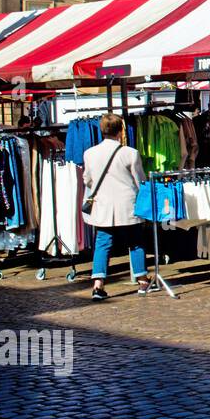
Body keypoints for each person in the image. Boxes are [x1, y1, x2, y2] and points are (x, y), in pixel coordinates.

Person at [82, 114, 151, 300]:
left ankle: (98, 285)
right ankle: (143, 281)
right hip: (127, 204)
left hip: (103, 205)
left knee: (103, 244)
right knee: (135, 241)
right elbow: (140, 180)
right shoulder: (130, 153)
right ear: (121, 131)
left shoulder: (89, 153)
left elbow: (88, 180)